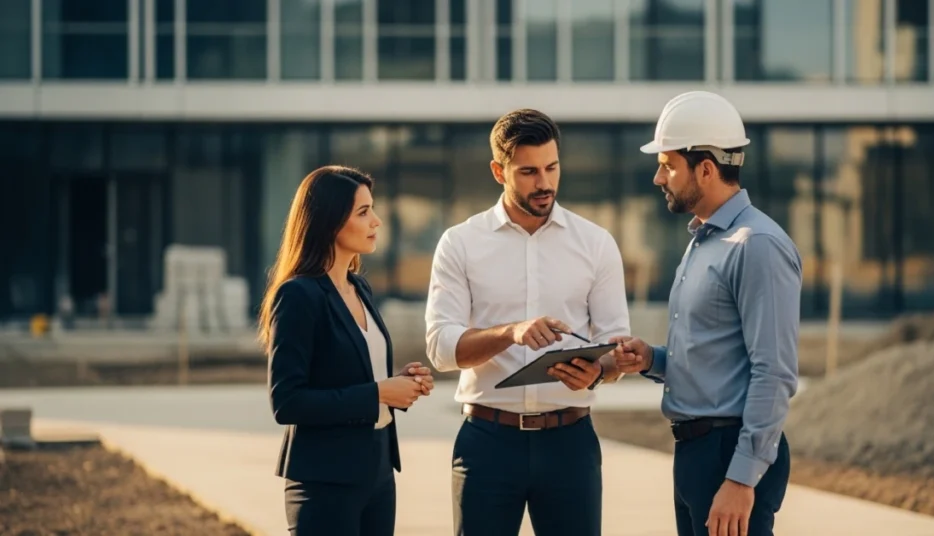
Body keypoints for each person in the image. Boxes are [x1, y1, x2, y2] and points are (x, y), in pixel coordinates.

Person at [424, 109, 631, 536]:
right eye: (529, 171)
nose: (545, 183)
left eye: (552, 168)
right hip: (487, 442)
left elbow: (616, 345)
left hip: (570, 443)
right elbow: (442, 349)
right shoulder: (460, 244)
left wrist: (598, 372)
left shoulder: (595, 244)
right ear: (499, 171)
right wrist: (510, 332)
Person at [612, 91, 802, 536]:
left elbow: (773, 371)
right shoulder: (705, 240)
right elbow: (715, 353)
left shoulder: (756, 245)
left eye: (668, 165)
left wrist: (741, 477)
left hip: (728, 453)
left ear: (706, 169)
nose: (659, 177)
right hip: (697, 453)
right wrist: (653, 360)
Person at [258, 165, 435, 536]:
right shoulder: (298, 295)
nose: (377, 221)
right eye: (363, 212)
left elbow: (353, 374)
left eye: (372, 209)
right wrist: (377, 393)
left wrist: (399, 386)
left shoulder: (360, 289)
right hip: (325, 482)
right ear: (329, 222)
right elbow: (287, 401)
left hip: (379, 471)